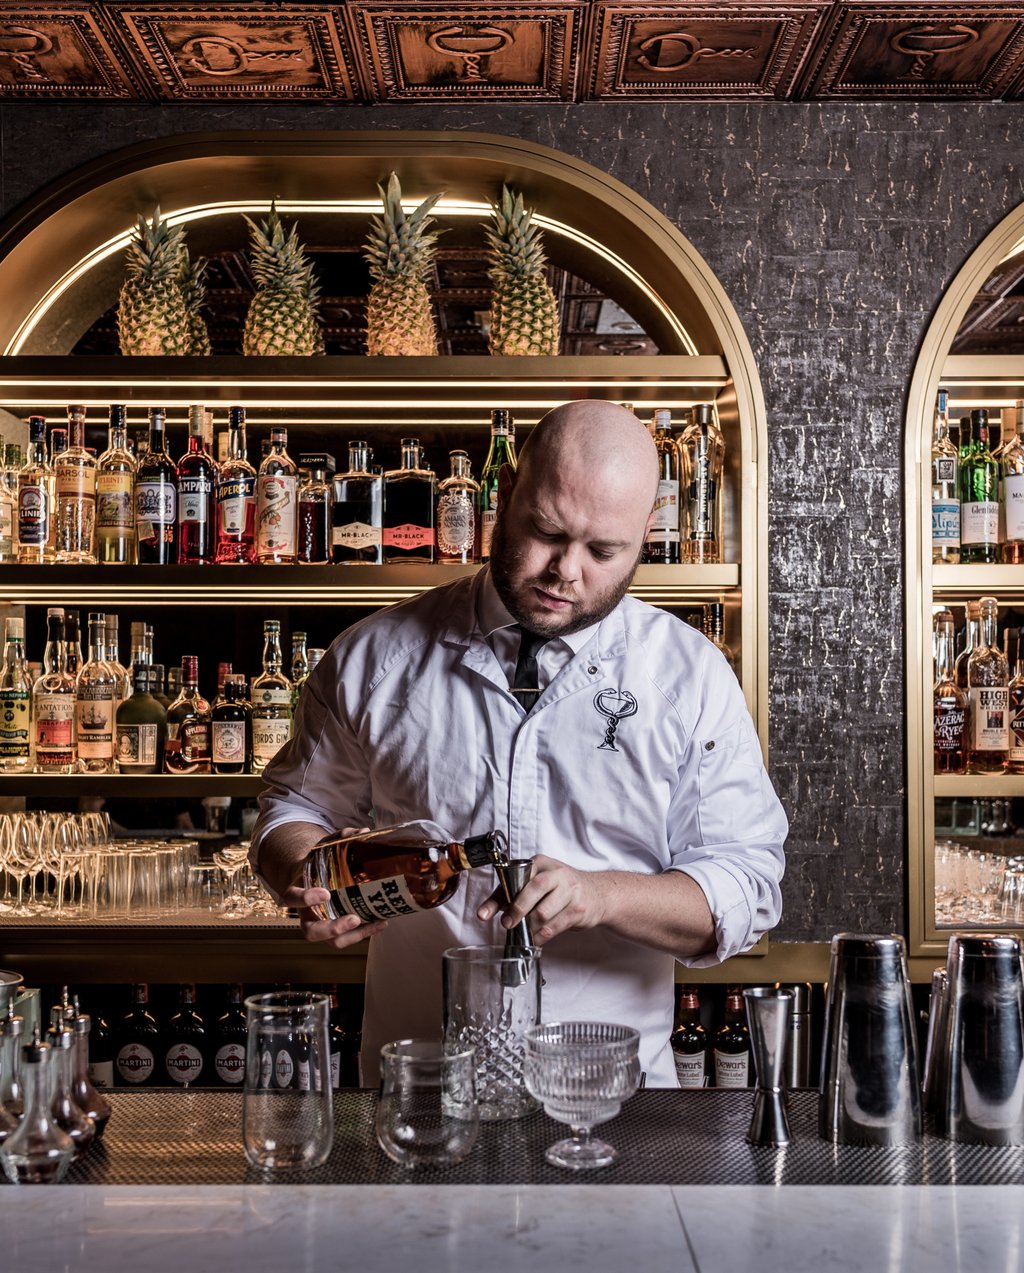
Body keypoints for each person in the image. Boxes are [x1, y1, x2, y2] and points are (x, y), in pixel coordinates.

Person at [250, 400, 788, 1085]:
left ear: (645, 532)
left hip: (611, 1102)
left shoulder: (689, 676)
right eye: (546, 531)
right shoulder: (374, 657)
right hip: (420, 1092)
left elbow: (745, 886)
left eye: (604, 551)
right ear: (503, 494)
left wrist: (603, 896)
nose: (567, 570)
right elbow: (292, 811)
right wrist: (303, 874)